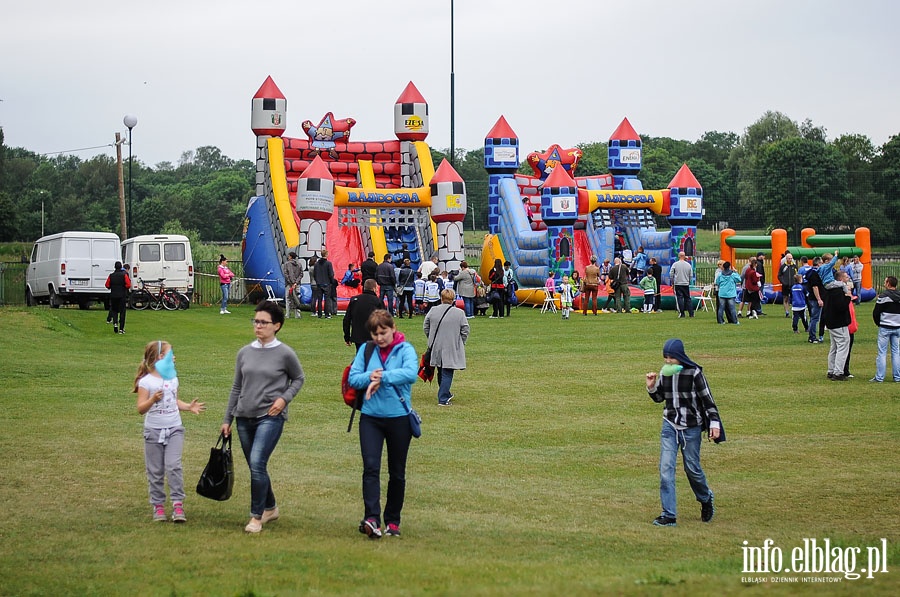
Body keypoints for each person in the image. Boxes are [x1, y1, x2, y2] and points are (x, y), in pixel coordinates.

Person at [221, 301, 305, 533]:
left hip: (270, 416)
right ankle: (270, 507)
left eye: (263, 322)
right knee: (255, 466)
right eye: (255, 321)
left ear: (276, 325)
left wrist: (283, 399)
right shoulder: (244, 353)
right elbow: (236, 387)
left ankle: (256, 517)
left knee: (258, 463)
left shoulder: (285, 353)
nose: (258, 326)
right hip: (243, 416)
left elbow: (298, 379)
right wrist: (227, 419)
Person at [348, 310, 418, 539]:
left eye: (383, 332)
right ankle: (371, 518)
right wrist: (370, 376)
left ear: (393, 328)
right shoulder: (367, 350)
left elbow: (410, 374)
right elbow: (354, 378)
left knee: (397, 472)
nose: (379, 338)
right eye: (375, 333)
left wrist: (383, 377)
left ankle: (393, 521)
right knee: (370, 467)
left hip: (399, 418)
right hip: (370, 417)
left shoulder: (405, 349)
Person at [645, 338, 722, 527]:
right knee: (666, 469)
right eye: (666, 357)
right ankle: (668, 515)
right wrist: (651, 386)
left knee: (692, 469)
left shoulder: (695, 373)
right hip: (669, 425)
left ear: (680, 357)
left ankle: (705, 498)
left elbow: (708, 401)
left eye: (672, 357)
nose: (668, 361)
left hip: (691, 427)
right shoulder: (665, 373)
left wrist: (714, 424)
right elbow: (659, 397)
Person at [134, 340, 205, 523]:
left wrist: (188, 407)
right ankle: (158, 506)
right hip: (153, 431)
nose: (174, 356)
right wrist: (152, 400)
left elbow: (174, 401)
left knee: (173, 466)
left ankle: (177, 504)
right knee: (155, 470)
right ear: (160, 357)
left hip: (174, 428)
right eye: (171, 353)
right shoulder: (146, 382)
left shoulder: (173, 379)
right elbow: (141, 408)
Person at [424, 289, 469, 406]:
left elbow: (426, 326)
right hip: (451, 345)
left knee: (441, 370)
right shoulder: (459, 313)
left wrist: (431, 338)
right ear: (453, 299)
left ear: (441, 298)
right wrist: (459, 342)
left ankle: (445, 392)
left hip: (437, 345)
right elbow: (465, 330)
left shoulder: (433, 310)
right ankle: (443, 398)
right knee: (447, 372)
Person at [821, 274, 852, 381]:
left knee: (834, 347)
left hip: (830, 321)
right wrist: (848, 297)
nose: (848, 279)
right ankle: (838, 372)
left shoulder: (829, 290)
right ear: (840, 279)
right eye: (846, 277)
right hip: (839, 322)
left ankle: (831, 370)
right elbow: (841, 306)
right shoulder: (838, 292)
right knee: (843, 345)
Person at [871, 275, 900, 383]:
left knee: (882, 353)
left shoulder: (883, 296)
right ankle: (897, 377)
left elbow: (876, 312)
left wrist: (879, 323)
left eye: (885, 282)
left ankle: (880, 377)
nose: (884, 284)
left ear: (888, 283)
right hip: (897, 327)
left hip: (885, 326)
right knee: (896, 352)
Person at [344, 279, 385, 350]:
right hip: (373, 336)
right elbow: (384, 321)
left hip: (358, 336)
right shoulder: (378, 301)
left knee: (360, 356)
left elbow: (346, 320)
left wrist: (347, 337)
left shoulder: (354, 300)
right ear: (374, 288)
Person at [105, 261, 131, 334]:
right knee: (122, 312)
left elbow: (107, 285)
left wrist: (112, 287)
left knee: (114, 310)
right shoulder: (124, 275)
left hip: (113, 295)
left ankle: (115, 323)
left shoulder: (111, 275)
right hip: (122, 295)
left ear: (114, 267)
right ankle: (121, 329)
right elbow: (128, 284)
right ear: (121, 267)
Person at [805, 257, 826, 343]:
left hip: (810, 297)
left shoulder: (809, 272)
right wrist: (819, 299)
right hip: (815, 298)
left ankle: (811, 335)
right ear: (818, 264)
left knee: (813, 317)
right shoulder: (815, 274)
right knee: (815, 318)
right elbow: (815, 287)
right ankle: (812, 337)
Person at [669, 251, 694, 318]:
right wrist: (688, 281)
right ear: (684, 256)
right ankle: (691, 313)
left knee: (680, 298)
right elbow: (691, 275)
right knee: (688, 298)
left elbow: (671, 274)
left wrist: (672, 281)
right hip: (686, 283)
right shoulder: (688, 265)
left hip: (678, 283)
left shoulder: (675, 264)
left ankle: (682, 313)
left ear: (679, 256)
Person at [312, 250, 334, 319]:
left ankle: (319, 314)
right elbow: (331, 274)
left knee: (319, 299)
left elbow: (314, 274)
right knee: (327, 299)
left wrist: (317, 281)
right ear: (326, 255)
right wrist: (331, 281)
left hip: (319, 283)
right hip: (326, 283)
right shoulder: (328, 263)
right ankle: (327, 314)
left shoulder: (316, 264)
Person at [283, 252, 304, 319]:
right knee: (297, 299)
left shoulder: (286, 264)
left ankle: (288, 314)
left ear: (290, 257)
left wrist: (291, 283)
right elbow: (301, 274)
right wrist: (296, 283)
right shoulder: (299, 264)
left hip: (289, 284)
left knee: (288, 298)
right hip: (297, 284)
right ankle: (297, 314)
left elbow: (286, 274)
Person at [778, 253, 797, 318]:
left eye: (791, 258)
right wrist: (783, 282)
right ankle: (787, 312)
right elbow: (779, 275)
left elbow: (797, 275)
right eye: (789, 258)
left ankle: (795, 312)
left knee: (794, 298)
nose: (790, 259)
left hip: (793, 285)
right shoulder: (783, 266)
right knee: (785, 298)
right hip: (785, 285)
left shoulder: (794, 266)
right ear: (786, 259)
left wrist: (795, 282)